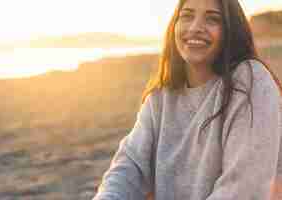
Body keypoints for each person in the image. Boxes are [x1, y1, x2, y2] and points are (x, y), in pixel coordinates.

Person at [92, 0, 282, 199]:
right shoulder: (161, 97)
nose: (195, 28)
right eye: (187, 16)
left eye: (212, 19)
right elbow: (129, 167)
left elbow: (243, 188)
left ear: (230, 31)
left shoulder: (250, 82)